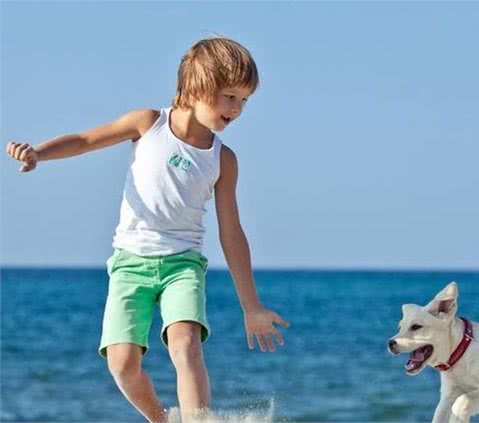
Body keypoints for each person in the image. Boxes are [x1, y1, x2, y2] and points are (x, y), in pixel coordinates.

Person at [5, 37, 289, 423]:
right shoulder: (147, 123)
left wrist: (250, 305)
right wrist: (40, 152)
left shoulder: (224, 160)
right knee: (122, 365)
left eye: (244, 100)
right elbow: (87, 140)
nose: (237, 109)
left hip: (183, 265)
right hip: (129, 264)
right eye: (229, 97)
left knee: (185, 344)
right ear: (197, 87)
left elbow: (232, 233)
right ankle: (161, 420)